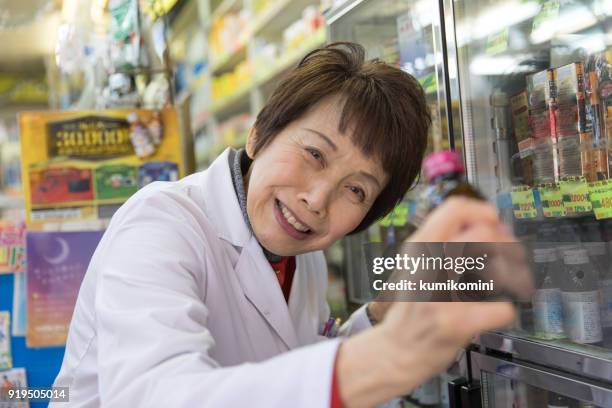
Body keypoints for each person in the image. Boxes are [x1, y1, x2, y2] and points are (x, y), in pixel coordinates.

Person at [51, 43, 521, 407]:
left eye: (356, 190)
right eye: (314, 153)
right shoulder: (160, 223)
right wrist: (384, 358)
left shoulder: (301, 252)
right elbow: (154, 394)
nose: (317, 201)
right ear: (259, 132)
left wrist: (382, 312)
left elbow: (290, 360)